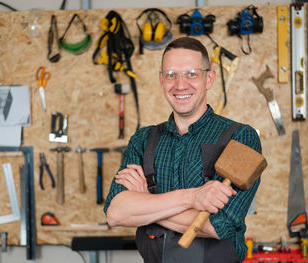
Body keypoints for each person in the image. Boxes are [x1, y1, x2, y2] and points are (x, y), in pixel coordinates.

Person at [104, 37, 261, 263]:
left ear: (209, 78)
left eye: (191, 74)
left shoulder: (240, 137)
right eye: (171, 75)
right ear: (161, 80)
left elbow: (219, 226)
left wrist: (147, 201)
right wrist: (192, 198)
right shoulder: (143, 139)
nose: (180, 85)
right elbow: (116, 213)